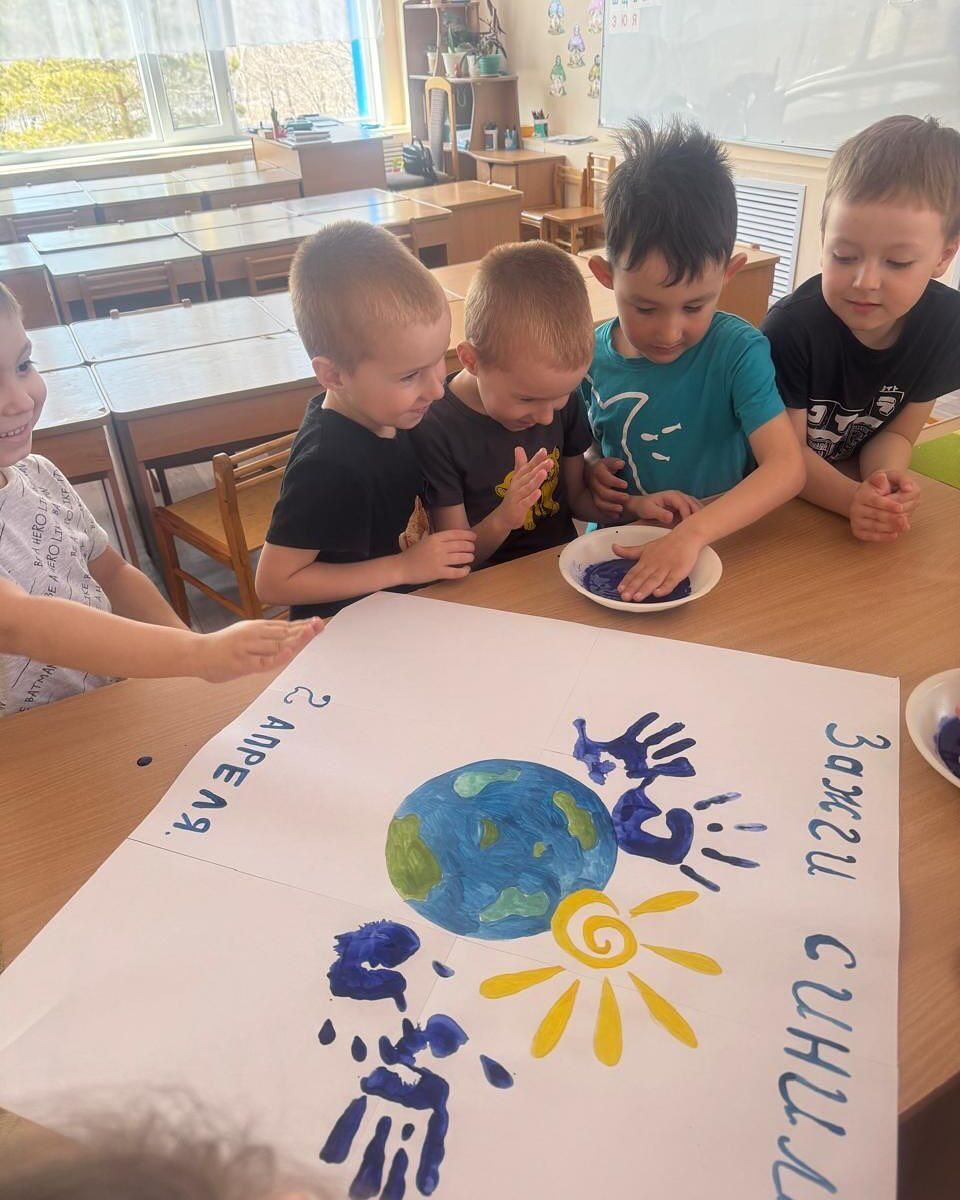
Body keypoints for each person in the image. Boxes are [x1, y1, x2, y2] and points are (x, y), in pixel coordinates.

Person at [0, 284, 320, 717]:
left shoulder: (39, 474)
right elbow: (17, 623)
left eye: (23, 365)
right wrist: (197, 655)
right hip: (25, 740)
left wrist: (191, 657)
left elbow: (112, 573)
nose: (19, 400)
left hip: (107, 704)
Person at [583, 117, 804, 600]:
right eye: (645, 308)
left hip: (717, 552)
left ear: (728, 274)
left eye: (694, 306)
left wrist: (691, 534)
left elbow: (787, 468)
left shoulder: (738, 351)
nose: (669, 332)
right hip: (617, 550)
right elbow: (591, 446)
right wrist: (592, 470)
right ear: (605, 275)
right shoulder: (587, 356)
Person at [255, 223, 476, 619]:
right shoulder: (327, 465)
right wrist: (402, 568)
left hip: (401, 618)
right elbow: (273, 582)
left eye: (438, 359)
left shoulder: (394, 415)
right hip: (346, 635)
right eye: (410, 375)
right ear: (334, 375)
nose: (436, 389)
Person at [762, 115, 960, 542]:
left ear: (943, 257)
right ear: (823, 240)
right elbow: (783, 457)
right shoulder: (791, 329)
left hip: (839, 485)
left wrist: (882, 483)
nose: (865, 281)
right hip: (775, 500)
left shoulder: (947, 325)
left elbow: (898, 433)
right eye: (844, 255)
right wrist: (851, 500)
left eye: (898, 262)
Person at [410, 241, 608, 566]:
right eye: (527, 399)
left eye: (559, 398)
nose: (546, 418)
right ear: (471, 360)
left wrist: (633, 506)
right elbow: (457, 560)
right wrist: (505, 518)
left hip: (558, 569)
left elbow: (577, 499)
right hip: (484, 583)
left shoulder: (560, 399)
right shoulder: (435, 428)